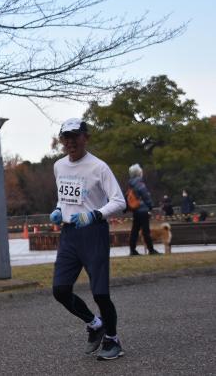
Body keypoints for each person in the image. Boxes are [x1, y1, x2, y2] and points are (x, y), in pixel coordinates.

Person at [48, 118, 126, 361]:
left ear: (86, 137)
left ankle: (113, 339)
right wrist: (59, 210)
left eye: (75, 136)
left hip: (93, 232)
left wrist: (95, 214)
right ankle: (94, 324)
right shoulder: (59, 166)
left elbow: (119, 201)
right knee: (60, 290)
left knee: (100, 293)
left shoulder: (98, 167)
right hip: (70, 234)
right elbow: (65, 197)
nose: (70, 142)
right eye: (65, 137)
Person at [127, 164, 160, 256]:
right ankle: (151, 249)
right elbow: (146, 196)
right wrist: (150, 206)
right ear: (139, 173)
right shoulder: (140, 184)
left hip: (135, 209)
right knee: (146, 231)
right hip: (143, 209)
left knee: (135, 230)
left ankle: (132, 250)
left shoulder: (131, 184)